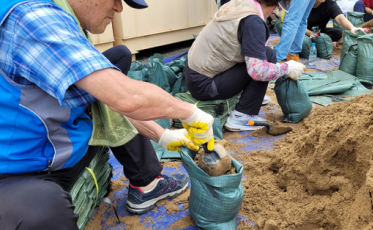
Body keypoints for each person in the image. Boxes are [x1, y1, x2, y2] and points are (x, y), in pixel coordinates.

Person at [0, 0, 215, 228]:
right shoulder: (33, 18)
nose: (119, 8)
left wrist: (163, 135)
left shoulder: (67, 17)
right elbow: (123, 97)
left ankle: (146, 181)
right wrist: (190, 112)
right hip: (18, 168)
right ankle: (146, 181)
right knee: (43, 211)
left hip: (53, 144)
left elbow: (108, 98)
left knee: (116, 61)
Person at [184, 0, 305, 132]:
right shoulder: (253, 22)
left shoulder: (242, 5)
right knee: (268, 57)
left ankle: (251, 95)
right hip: (205, 86)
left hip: (195, 75)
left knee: (264, 54)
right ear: (274, 5)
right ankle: (241, 116)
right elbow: (258, 71)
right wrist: (286, 68)